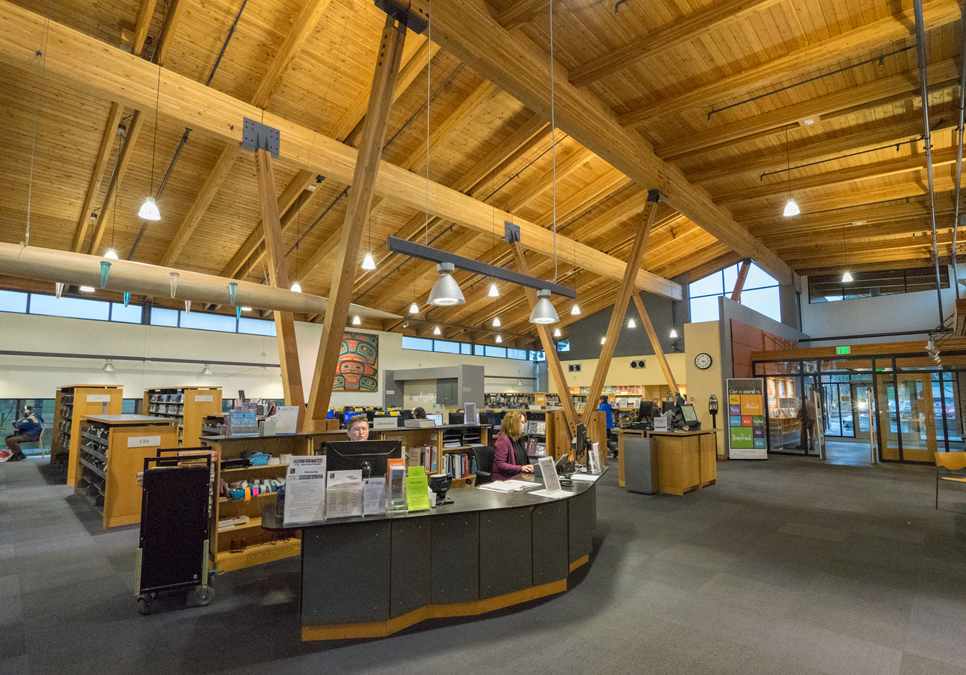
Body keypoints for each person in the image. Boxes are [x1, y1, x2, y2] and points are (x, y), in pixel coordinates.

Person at [492, 410, 533, 481]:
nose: (525, 425)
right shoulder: (503, 440)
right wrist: (521, 468)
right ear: (514, 424)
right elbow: (500, 464)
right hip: (505, 479)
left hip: (518, 476)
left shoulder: (519, 438)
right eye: (522, 422)